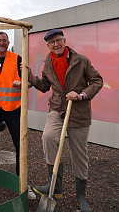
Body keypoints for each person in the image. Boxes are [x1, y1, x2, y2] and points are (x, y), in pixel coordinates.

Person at [15, 29, 103, 212]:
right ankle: (56, 186)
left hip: (78, 112)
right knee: (47, 137)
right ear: (47, 45)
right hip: (57, 109)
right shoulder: (48, 63)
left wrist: (81, 94)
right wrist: (31, 77)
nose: (56, 44)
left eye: (58, 40)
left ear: (64, 41)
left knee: (79, 154)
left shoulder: (81, 60)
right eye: (52, 42)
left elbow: (97, 81)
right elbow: (45, 86)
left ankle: (81, 196)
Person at [0, 31, 36, 200]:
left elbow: (30, 83)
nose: (1, 43)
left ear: (8, 42)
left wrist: (22, 83)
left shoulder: (17, 59)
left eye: (4, 40)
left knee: (20, 145)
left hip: (13, 108)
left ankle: (22, 182)